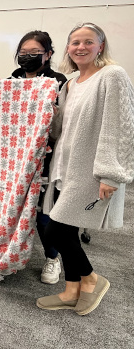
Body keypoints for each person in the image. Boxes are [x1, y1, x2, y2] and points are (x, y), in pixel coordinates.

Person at [36, 23, 134, 316]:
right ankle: (71, 289)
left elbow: (120, 126)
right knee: (63, 230)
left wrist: (110, 173)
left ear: (100, 46)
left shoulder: (112, 76)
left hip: (92, 172)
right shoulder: (70, 83)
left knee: (56, 231)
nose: (80, 47)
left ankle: (91, 279)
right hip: (66, 169)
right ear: (68, 48)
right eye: (75, 42)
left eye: (88, 42)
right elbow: (61, 130)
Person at [11, 31, 67, 285]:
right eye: (23, 53)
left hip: (45, 155)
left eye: (34, 53)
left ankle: (52, 258)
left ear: (48, 54)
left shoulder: (58, 81)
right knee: (15, 207)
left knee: (45, 213)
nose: (27, 57)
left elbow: (61, 123)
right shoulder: (14, 78)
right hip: (16, 155)